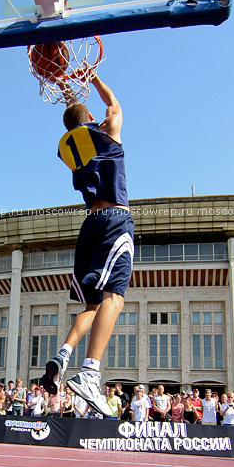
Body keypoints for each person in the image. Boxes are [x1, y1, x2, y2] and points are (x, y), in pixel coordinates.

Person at [40, 74, 134, 417]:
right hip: (114, 220)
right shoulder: (108, 134)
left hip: (89, 226)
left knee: (92, 304)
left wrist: (68, 89)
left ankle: (62, 355)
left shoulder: (69, 148)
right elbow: (114, 104)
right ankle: (90, 372)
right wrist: (91, 76)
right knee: (115, 297)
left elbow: (76, 116)